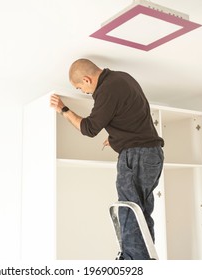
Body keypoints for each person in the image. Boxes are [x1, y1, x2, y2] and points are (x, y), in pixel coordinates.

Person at [50, 58, 164, 260]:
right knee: (141, 213)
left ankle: (134, 265)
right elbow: (132, 115)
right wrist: (116, 138)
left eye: (80, 87)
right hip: (152, 154)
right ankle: (146, 260)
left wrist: (64, 109)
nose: (84, 92)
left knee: (129, 214)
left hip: (136, 156)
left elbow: (89, 128)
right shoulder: (123, 78)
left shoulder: (106, 90)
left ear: (87, 79)